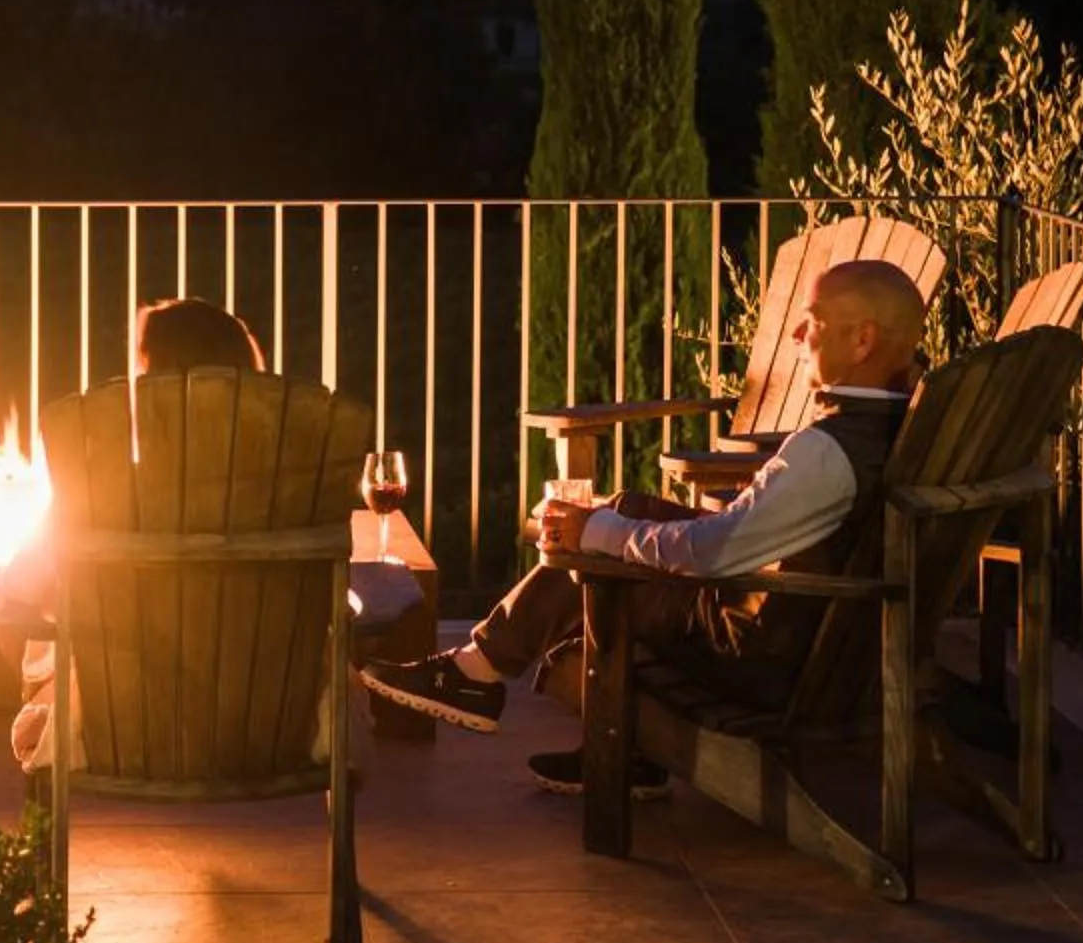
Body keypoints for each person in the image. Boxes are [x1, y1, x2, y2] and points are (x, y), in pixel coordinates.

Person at [358, 257, 926, 796]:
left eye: (813, 323)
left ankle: (478, 675)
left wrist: (598, 533)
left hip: (758, 656)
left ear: (862, 341)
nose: (798, 338)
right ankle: (507, 685)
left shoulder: (824, 452)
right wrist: (614, 518)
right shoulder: (885, 430)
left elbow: (710, 554)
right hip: (819, 634)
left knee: (593, 556)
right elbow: (746, 538)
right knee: (628, 509)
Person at [0, 295, 277, 774]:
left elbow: (15, 595)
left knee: (13, 611)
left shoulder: (98, 488)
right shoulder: (286, 491)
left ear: (154, 381)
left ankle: (48, 748)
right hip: (267, 719)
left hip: (120, 723)